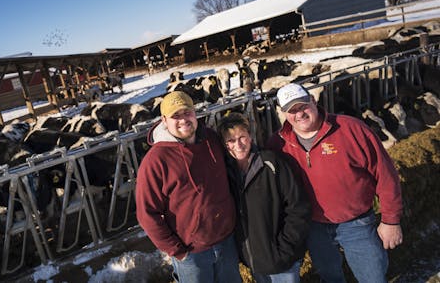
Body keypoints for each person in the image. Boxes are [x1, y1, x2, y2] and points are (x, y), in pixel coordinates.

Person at [267, 83, 404, 283]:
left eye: (302, 106)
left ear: (313, 101)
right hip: (314, 227)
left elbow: (385, 174)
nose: (299, 114)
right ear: (283, 114)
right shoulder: (278, 144)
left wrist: (391, 220)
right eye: (291, 110)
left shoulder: (350, 129)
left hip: (356, 224)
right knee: (329, 276)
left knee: (373, 277)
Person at [135, 91, 242, 283]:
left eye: (187, 113)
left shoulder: (211, 138)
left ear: (195, 113)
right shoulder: (155, 161)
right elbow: (146, 214)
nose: (183, 120)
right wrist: (177, 251)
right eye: (176, 116)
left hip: (226, 242)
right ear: (164, 120)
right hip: (192, 254)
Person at [217, 112, 311, 283]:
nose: (238, 145)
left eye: (242, 137)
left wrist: (286, 247)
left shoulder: (271, 163)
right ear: (224, 145)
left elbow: (298, 206)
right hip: (254, 261)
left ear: (250, 136)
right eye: (230, 141)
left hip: (282, 259)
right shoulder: (226, 174)